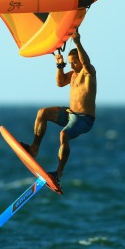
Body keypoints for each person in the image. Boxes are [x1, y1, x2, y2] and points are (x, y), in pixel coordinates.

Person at [22, 29, 96, 189]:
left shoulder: (88, 72)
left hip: (84, 119)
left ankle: (58, 173)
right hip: (71, 114)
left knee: (64, 135)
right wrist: (60, 65)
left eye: (74, 62)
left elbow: (86, 63)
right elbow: (60, 82)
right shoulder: (73, 74)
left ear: (80, 60)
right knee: (43, 113)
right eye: (70, 63)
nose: (73, 65)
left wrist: (77, 42)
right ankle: (34, 148)